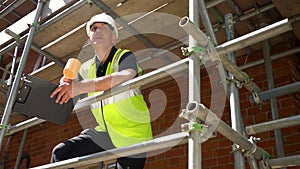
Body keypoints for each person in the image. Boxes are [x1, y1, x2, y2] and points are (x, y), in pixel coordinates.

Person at [49, 13, 153, 169]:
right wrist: (66, 82)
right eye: (94, 29)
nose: (97, 31)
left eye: (104, 28)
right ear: (89, 39)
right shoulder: (86, 68)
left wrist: (81, 87)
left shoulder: (124, 56)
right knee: (61, 153)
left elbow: (125, 76)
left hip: (133, 134)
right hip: (106, 132)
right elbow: (71, 84)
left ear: (113, 38)